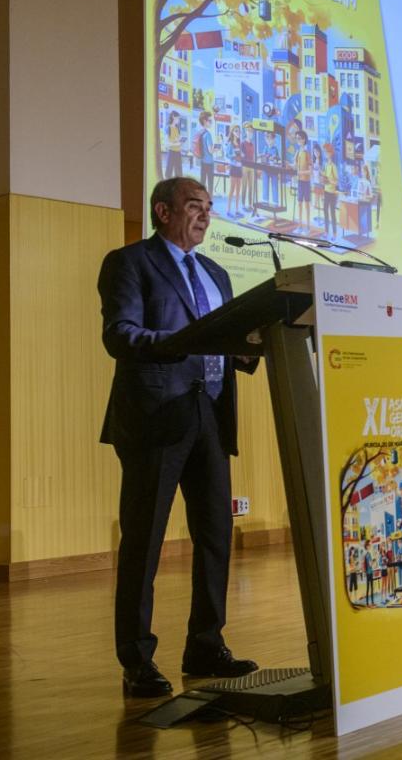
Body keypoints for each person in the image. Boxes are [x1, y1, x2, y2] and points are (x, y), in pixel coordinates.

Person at [98, 177, 260, 698]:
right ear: (163, 211)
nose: (206, 216)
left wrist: (250, 346)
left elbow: (233, 340)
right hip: (156, 415)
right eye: (195, 206)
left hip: (210, 413)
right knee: (144, 540)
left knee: (215, 534)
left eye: (210, 207)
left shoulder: (216, 272)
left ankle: (206, 644)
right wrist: (185, 341)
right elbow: (119, 334)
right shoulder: (130, 262)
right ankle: (137, 659)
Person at [321, 143, 340, 237]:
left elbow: (336, 182)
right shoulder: (325, 165)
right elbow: (324, 178)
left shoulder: (333, 166)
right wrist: (323, 179)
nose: (325, 154)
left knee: (332, 213)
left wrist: (329, 180)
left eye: (327, 152)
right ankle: (326, 232)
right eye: (324, 152)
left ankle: (335, 233)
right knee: (325, 212)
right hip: (326, 191)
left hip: (332, 193)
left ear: (331, 153)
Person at [294, 130, 312, 228]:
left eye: (299, 138)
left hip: (306, 182)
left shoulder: (307, 153)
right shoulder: (298, 152)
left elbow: (310, 171)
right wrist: (288, 165)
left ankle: (308, 225)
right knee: (299, 204)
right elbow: (295, 166)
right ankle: (300, 225)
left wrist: (300, 172)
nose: (298, 140)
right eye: (296, 138)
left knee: (307, 205)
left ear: (304, 140)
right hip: (300, 182)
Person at [225, 125, 243, 217]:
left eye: (239, 131)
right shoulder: (230, 144)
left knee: (238, 189)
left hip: (240, 167)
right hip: (233, 167)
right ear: (232, 132)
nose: (238, 132)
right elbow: (227, 155)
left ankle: (237, 209)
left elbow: (242, 155)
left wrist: (241, 156)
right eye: (236, 131)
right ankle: (228, 208)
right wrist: (234, 156)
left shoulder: (240, 143)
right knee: (232, 189)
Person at [196, 111, 215, 195]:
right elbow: (210, 150)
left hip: (203, 161)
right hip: (209, 162)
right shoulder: (208, 135)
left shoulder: (200, 132)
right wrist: (216, 149)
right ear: (204, 121)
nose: (211, 123)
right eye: (210, 121)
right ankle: (210, 199)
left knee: (202, 181)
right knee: (210, 182)